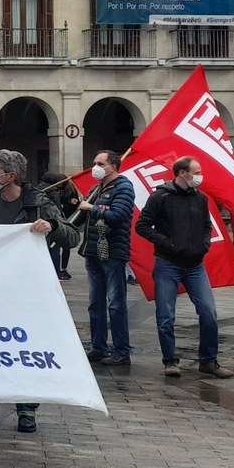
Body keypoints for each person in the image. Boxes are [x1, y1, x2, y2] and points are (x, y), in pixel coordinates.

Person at [0, 150, 79, 434]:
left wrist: (52, 227)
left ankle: (27, 409)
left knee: (24, 346)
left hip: (27, 288)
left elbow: (71, 236)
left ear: (10, 176)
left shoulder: (37, 202)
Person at [135, 156, 234, 381]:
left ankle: (208, 361)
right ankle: (170, 361)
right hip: (167, 263)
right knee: (165, 315)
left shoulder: (200, 198)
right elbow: (142, 226)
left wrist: (204, 244)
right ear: (182, 173)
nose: (200, 176)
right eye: (196, 171)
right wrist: (168, 243)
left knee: (209, 312)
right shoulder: (160, 196)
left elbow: (206, 226)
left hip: (195, 265)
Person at [78, 150, 136, 367]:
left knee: (116, 304)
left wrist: (93, 208)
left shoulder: (123, 187)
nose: (95, 166)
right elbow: (80, 217)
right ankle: (98, 346)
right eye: (95, 162)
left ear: (113, 166)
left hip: (113, 253)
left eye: (100, 163)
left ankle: (121, 351)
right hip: (93, 252)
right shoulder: (96, 188)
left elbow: (118, 217)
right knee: (95, 303)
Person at [41, 171, 81, 279]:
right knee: (55, 248)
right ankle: (58, 271)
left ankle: (58, 269)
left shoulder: (43, 190)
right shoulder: (53, 192)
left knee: (53, 247)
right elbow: (57, 209)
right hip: (55, 222)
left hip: (53, 222)